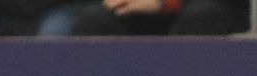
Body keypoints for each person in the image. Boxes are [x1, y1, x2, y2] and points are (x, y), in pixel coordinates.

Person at [69, 0, 246, 37]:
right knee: (94, 19)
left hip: (201, 8)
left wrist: (168, 3)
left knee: (203, 16)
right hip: (133, 9)